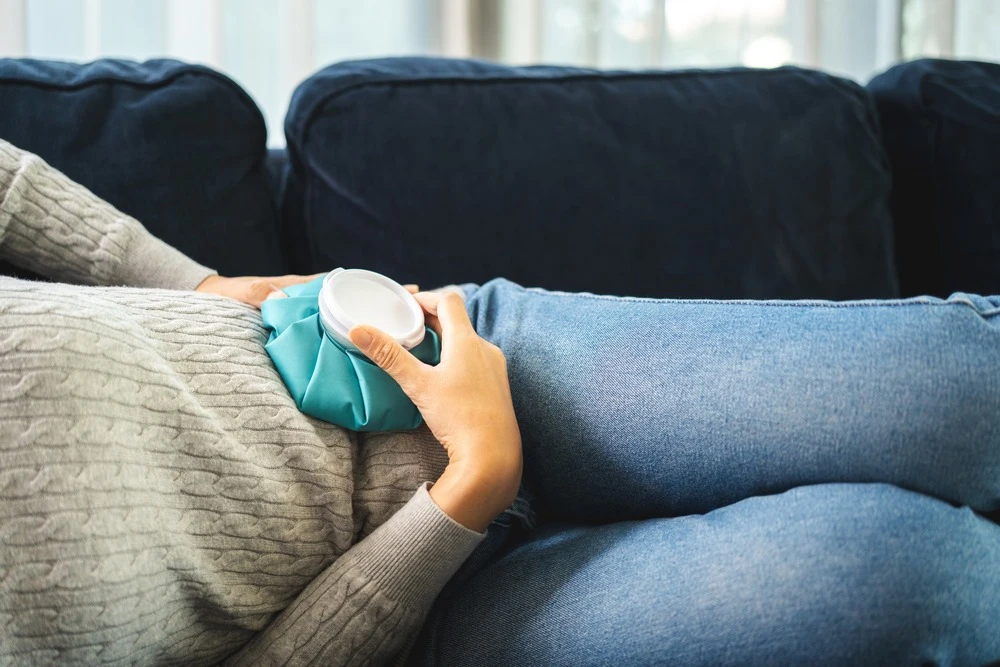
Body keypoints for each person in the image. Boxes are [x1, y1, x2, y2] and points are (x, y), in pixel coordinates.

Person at [0, 137, 997, 666]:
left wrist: (190, 281)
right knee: (921, 579)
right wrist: (471, 484)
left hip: (464, 351)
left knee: (968, 393)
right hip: (426, 617)